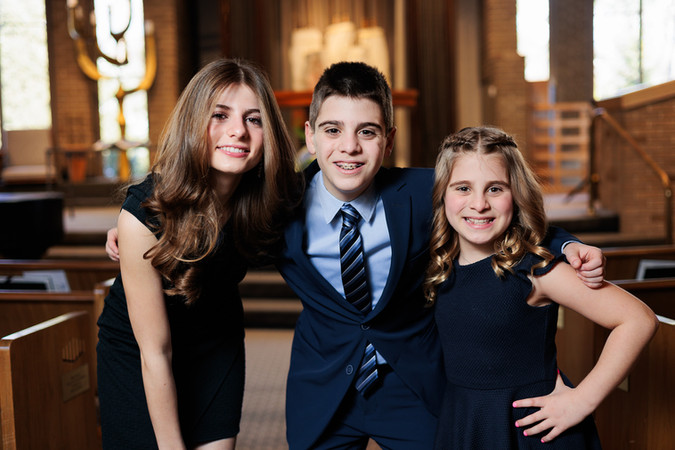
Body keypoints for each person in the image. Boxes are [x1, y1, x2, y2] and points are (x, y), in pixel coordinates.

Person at [106, 62, 606, 450]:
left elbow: (496, 212)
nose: (349, 147)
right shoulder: (278, 204)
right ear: (309, 136)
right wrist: (135, 230)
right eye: (332, 131)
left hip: (412, 382)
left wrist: (566, 244)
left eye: (367, 132)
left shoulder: (422, 193)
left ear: (388, 142)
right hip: (323, 387)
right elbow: (208, 216)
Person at [96, 58, 301, 449]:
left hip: (215, 339)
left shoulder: (270, 197)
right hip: (141, 354)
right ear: (193, 122)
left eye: (254, 119)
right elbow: (156, 352)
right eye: (219, 115)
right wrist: (133, 232)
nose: (238, 131)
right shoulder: (145, 216)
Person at [423, 126, 658, 449]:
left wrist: (583, 400)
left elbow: (638, 319)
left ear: (517, 194)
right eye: (463, 188)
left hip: (530, 433)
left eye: (495, 189)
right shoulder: (439, 266)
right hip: (464, 424)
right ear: (442, 193)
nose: (479, 204)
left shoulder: (534, 270)